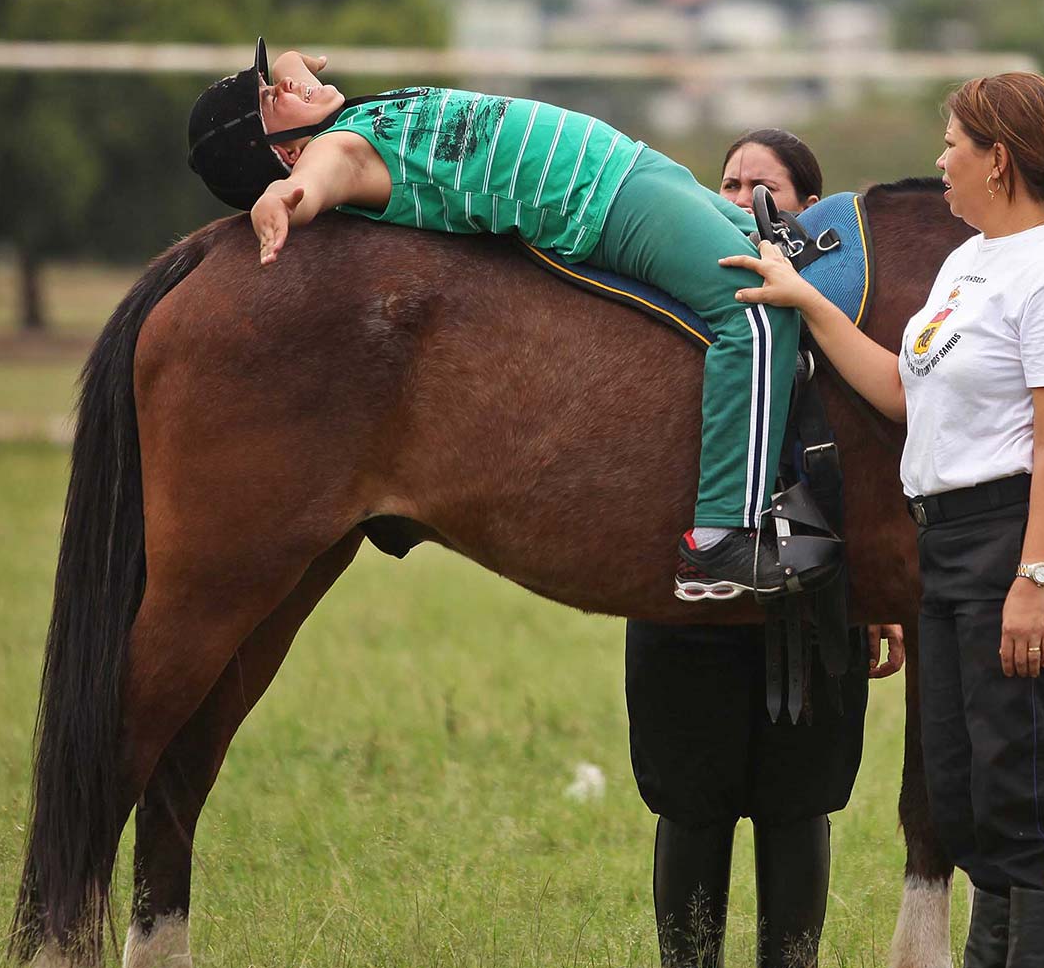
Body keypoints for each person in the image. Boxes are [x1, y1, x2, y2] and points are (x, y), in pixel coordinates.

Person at [726, 72, 1044, 968]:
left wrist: (1034, 577)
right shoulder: (966, 265)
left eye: (952, 142)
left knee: (1028, 791)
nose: (938, 158)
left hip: (1017, 542)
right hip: (944, 544)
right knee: (963, 786)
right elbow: (905, 390)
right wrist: (809, 301)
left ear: (998, 158)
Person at [183, 40, 821, 603]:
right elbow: (325, 173)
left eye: (274, 81)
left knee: (802, 258)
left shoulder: (343, 115)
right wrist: (288, 196)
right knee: (758, 309)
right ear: (287, 154)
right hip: (601, 200)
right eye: (272, 100)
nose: (287, 83)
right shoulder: (341, 149)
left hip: (628, 165)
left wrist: (286, 79)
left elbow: (294, 73)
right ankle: (722, 535)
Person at [626, 129, 904, 968]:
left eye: (766, 185)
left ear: (810, 208)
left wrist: (879, 597)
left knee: (799, 805)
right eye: (730, 179)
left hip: (815, 597)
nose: (743, 195)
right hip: (692, 594)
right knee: (689, 802)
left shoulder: (845, 311)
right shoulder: (666, 295)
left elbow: (871, 468)